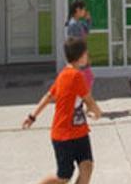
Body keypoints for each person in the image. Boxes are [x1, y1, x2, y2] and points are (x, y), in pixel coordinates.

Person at [22, 37, 102, 184]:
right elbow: (89, 101)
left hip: (79, 131)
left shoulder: (64, 74)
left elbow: (48, 96)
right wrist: (97, 112)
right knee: (64, 177)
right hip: (64, 134)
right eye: (86, 53)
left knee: (87, 166)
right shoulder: (75, 75)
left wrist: (32, 116)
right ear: (80, 56)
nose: (88, 56)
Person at [65, 0, 94, 89]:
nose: (84, 12)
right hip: (78, 56)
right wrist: (84, 55)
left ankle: (82, 97)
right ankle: (82, 97)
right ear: (78, 10)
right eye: (83, 9)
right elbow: (78, 41)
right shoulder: (74, 24)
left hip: (80, 55)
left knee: (87, 78)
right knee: (87, 78)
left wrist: (88, 20)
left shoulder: (77, 23)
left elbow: (86, 30)